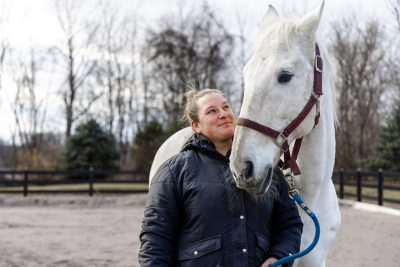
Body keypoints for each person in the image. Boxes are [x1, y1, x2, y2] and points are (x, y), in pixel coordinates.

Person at [139, 89, 303, 267]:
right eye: (212, 111)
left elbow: (290, 225)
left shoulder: (266, 168)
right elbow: (155, 239)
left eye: (226, 107)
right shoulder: (173, 171)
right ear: (196, 126)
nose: (223, 114)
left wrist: (278, 258)